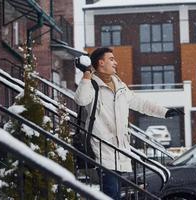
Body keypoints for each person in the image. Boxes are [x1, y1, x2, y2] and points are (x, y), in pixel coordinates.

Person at [74, 47, 183, 199]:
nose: (115, 62)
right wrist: (86, 74)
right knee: (111, 193)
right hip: (103, 148)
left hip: (121, 150)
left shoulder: (120, 86)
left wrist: (164, 112)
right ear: (101, 62)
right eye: (111, 59)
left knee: (115, 194)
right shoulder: (91, 84)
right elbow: (81, 99)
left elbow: (140, 103)